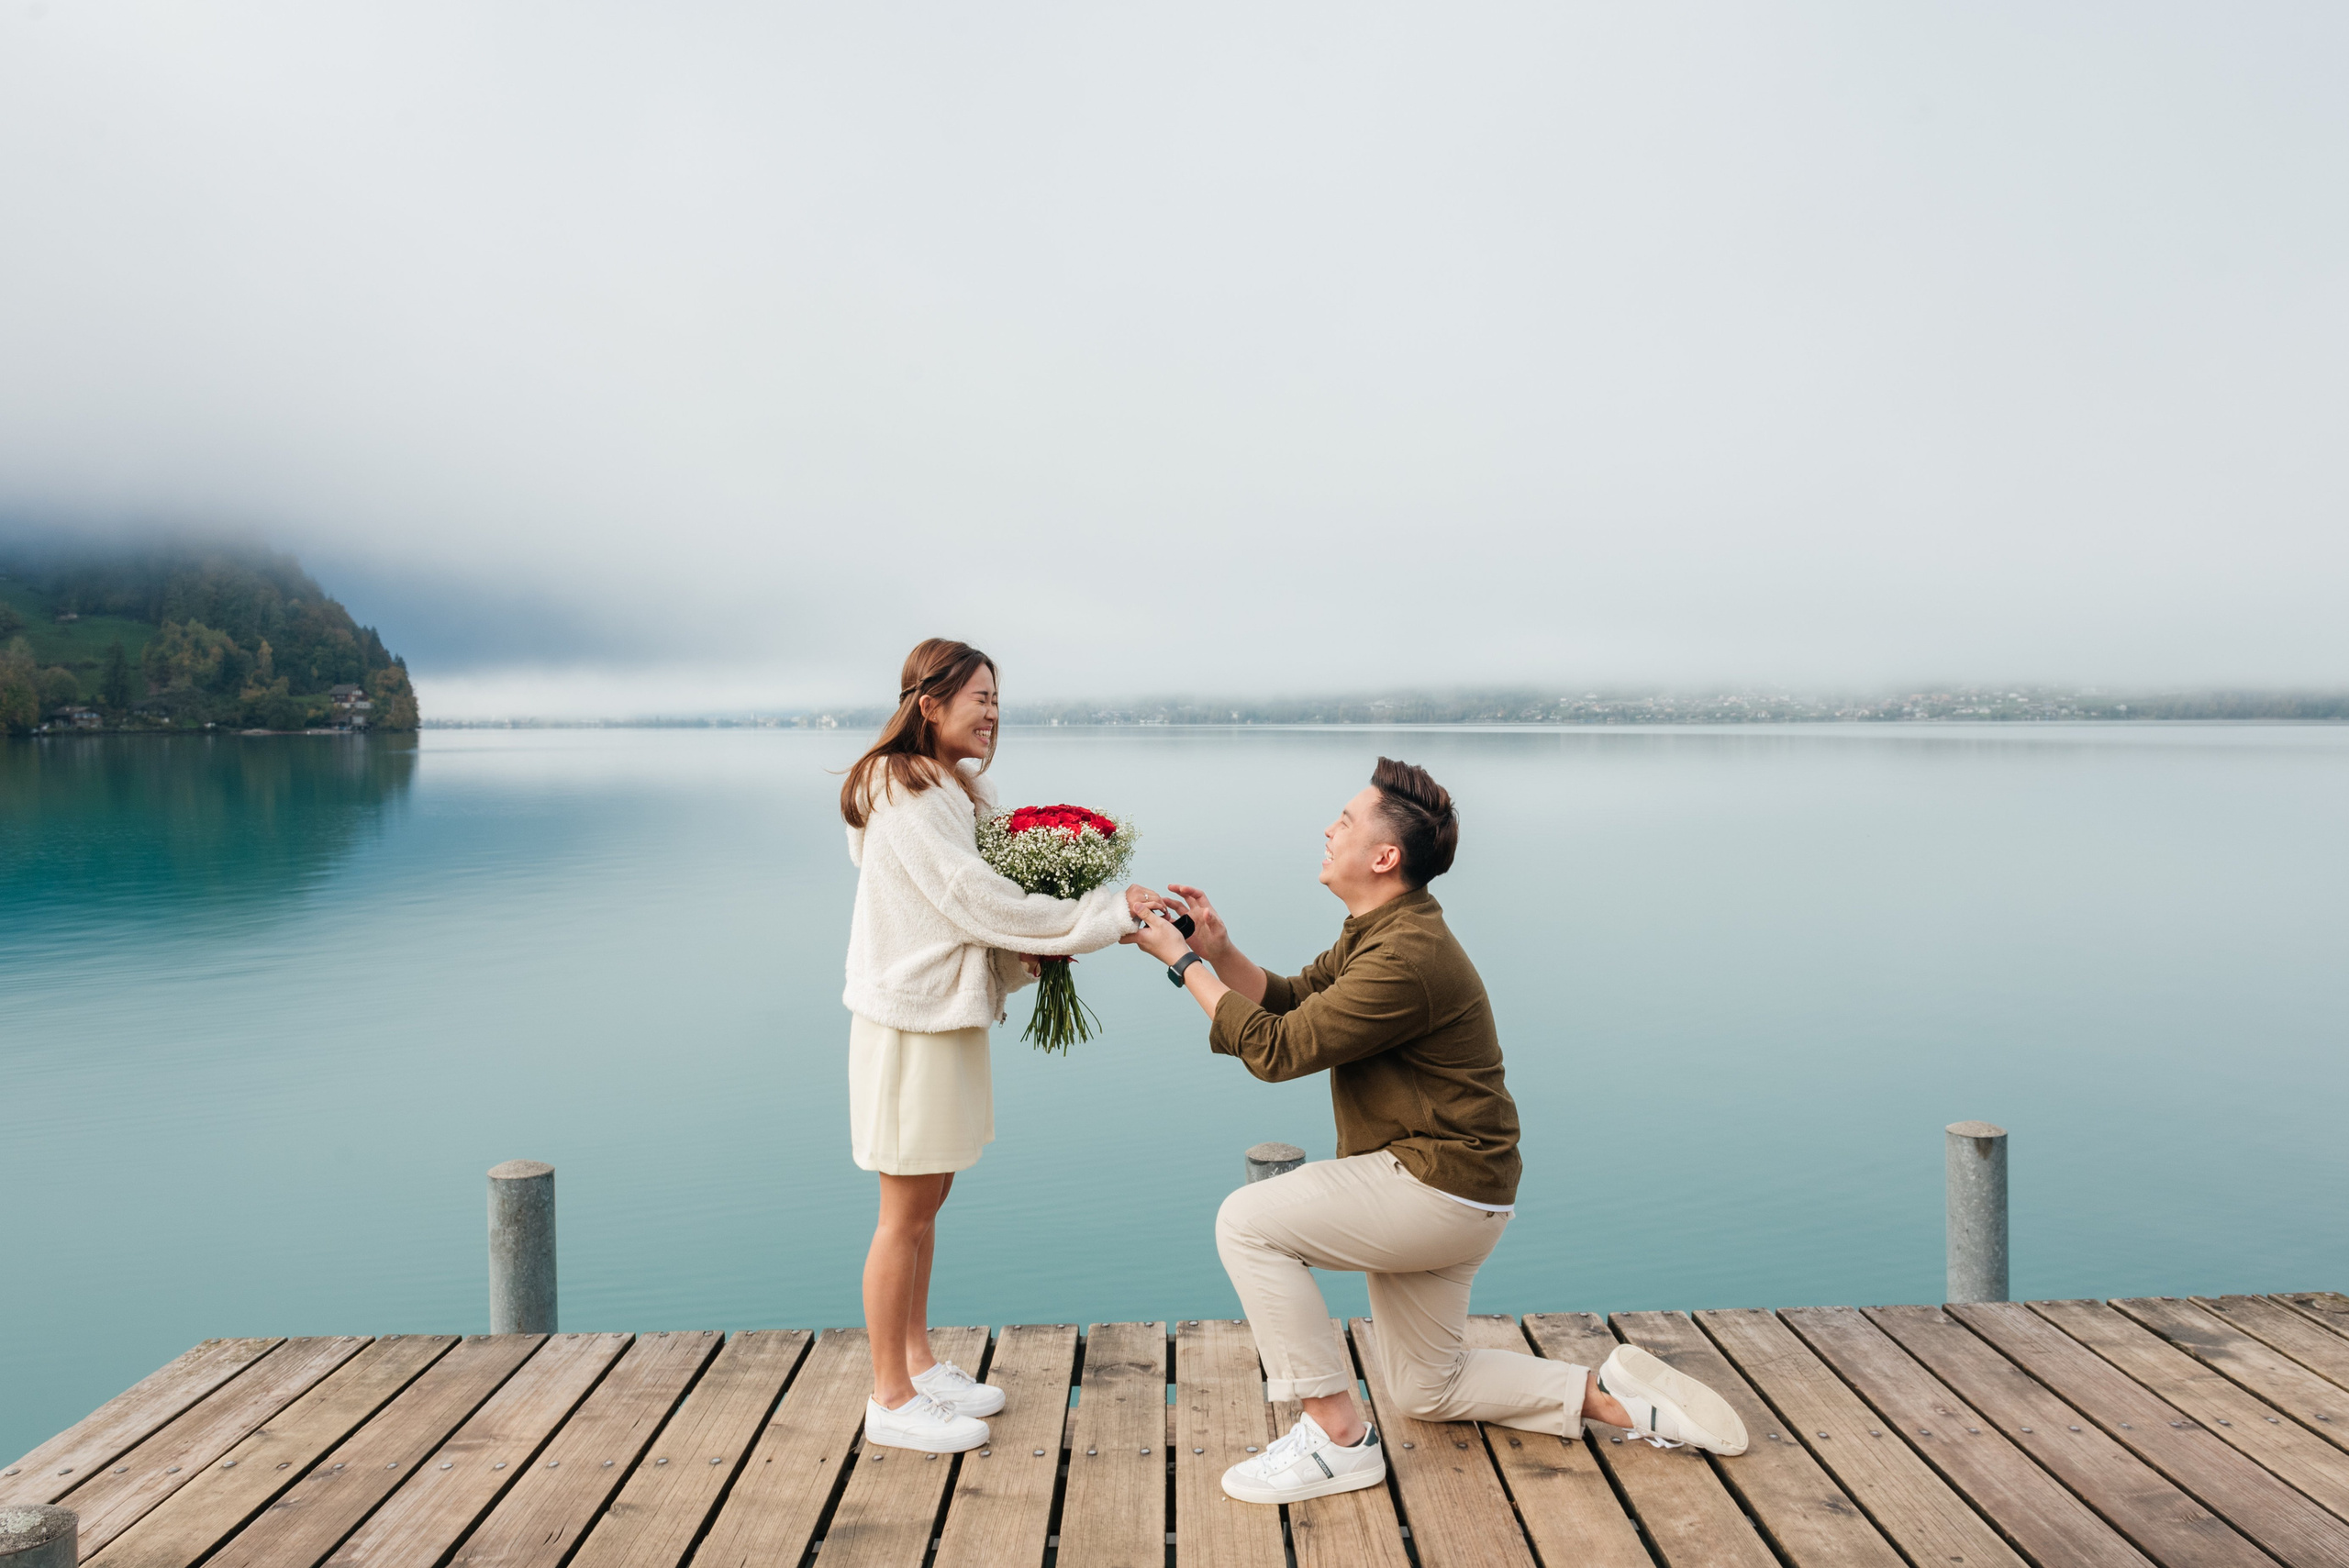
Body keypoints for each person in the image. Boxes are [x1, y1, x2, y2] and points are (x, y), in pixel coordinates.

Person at [1131, 757, 1748, 1505]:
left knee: (1249, 1221)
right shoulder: (1384, 930)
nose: (1330, 829)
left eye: (1348, 821)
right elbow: (1292, 1004)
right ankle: (1617, 1399)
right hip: (1458, 1189)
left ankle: (1335, 1438)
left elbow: (1277, 1049)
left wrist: (1183, 961)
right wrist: (1220, 950)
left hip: (1434, 1186)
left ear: (1384, 856)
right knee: (1428, 1386)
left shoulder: (1407, 956)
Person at [841, 638, 1162, 1454]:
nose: (991, 712)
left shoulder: (949, 788)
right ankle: (888, 1397)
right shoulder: (905, 791)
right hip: (909, 1025)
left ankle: (915, 1363)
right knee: (902, 1212)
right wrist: (1102, 913)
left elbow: (985, 911)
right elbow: (973, 898)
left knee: (930, 1199)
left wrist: (1065, 935)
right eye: (977, 697)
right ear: (929, 704)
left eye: (996, 700)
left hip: (940, 1019)